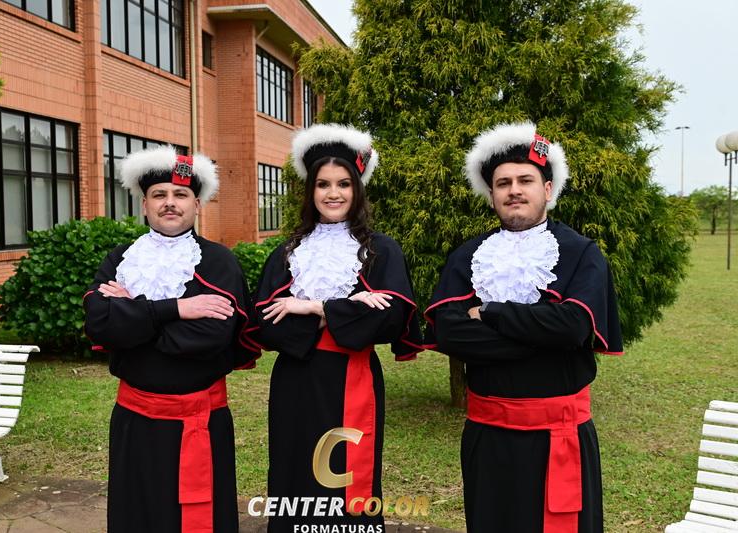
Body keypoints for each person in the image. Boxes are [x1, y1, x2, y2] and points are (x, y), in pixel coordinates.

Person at [425, 122, 623, 533]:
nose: (514, 190)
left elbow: (573, 327)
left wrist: (491, 313)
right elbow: (449, 333)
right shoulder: (468, 256)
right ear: (492, 194)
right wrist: (541, 335)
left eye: (525, 180)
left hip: (559, 436)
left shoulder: (581, 253)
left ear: (547, 189)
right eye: (503, 183)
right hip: (488, 437)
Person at [251, 124, 423, 532]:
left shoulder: (381, 250)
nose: (333, 193)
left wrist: (314, 306)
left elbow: (391, 317)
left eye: (344, 184)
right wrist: (349, 309)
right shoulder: (288, 251)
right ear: (310, 191)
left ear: (357, 189)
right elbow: (265, 323)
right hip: (295, 383)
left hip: (352, 380)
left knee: (345, 481)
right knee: (294, 475)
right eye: (323, 184)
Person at [83, 146, 258, 533]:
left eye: (180, 194)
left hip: (199, 421)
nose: (169, 203)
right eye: (159, 194)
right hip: (133, 421)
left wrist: (133, 316)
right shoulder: (120, 258)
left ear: (197, 204)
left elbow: (210, 337)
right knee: (136, 517)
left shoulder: (219, 262)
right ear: (144, 205)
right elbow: (100, 323)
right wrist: (176, 309)